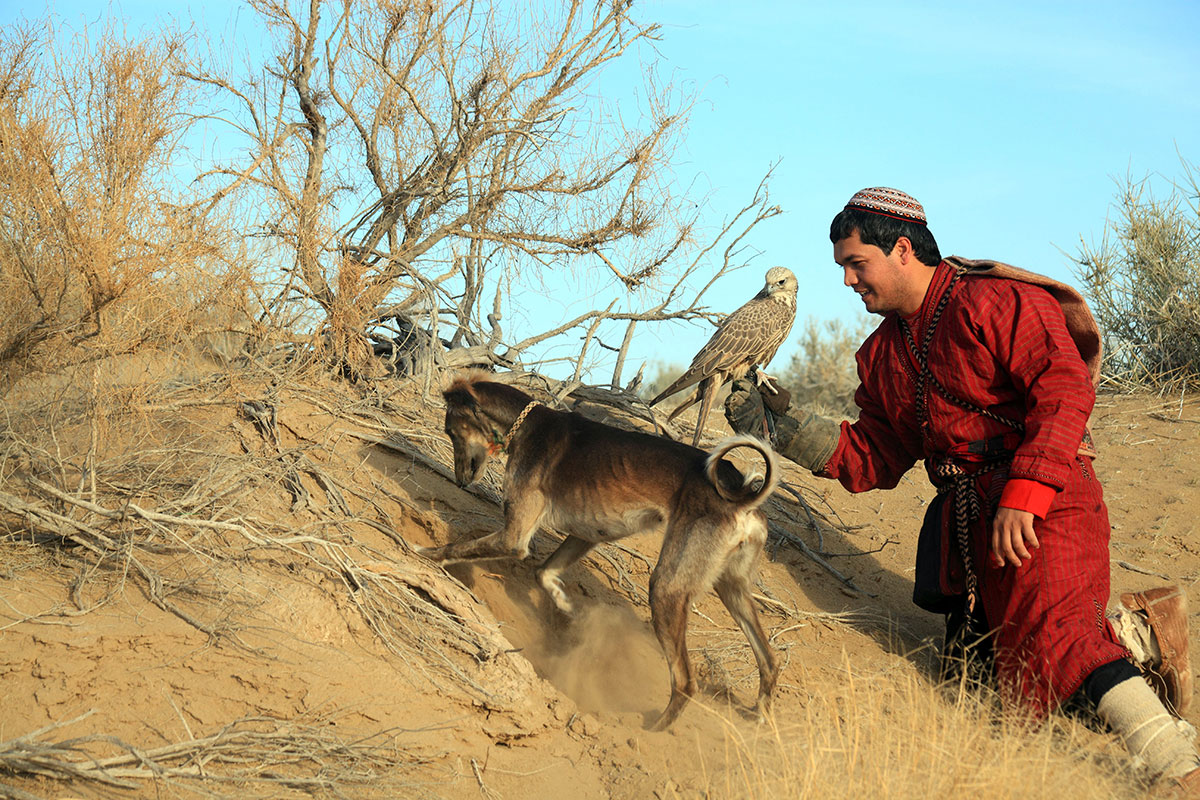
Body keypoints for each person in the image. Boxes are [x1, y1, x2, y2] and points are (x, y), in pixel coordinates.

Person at [724, 187, 1200, 790]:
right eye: (842, 267)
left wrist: (1026, 493)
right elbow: (874, 459)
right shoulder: (881, 355)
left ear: (902, 249)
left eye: (856, 264)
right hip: (969, 531)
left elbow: (1064, 387)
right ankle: (1133, 638)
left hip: (1049, 505)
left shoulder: (997, 300)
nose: (846, 281)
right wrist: (783, 430)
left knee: (1060, 640)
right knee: (991, 689)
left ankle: (1179, 766)